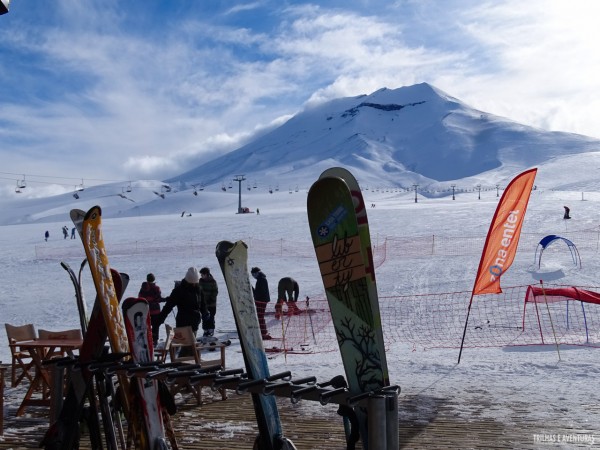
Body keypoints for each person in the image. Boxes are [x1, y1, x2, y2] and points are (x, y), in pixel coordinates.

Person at [157, 267, 209, 355]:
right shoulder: (179, 291)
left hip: (194, 323)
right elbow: (169, 306)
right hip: (183, 323)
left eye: (195, 283)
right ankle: (185, 364)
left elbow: (202, 304)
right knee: (189, 348)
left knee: (189, 348)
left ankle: (185, 363)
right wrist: (160, 319)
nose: (193, 284)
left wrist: (205, 313)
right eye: (191, 283)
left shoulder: (198, 289)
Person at [138, 273, 165, 346]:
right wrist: (166, 299)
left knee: (147, 326)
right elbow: (158, 299)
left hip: (145, 311)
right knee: (155, 326)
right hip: (155, 311)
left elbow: (140, 298)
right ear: (154, 279)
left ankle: (147, 341)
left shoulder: (142, 288)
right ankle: (154, 341)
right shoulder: (156, 288)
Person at [250, 267, 271, 339]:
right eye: (252, 275)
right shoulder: (261, 279)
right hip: (262, 300)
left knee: (260, 316)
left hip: (261, 301)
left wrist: (251, 288)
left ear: (257, 273)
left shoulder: (261, 280)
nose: (253, 276)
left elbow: (258, 292)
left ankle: (263, 332)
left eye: (254, 274)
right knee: (260, 316)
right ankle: (262, 331)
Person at [199, 267, 218, 337]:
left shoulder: (213, 281)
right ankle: (205, 330)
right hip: (203, 304)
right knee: (204, 318)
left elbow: (215, 291)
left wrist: (211, 299)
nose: (201, 276)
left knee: (211, 317)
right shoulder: (200, 281)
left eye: (202, 275)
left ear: (206, 274)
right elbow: (198, 291)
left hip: (211, 304)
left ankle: (211, 330)